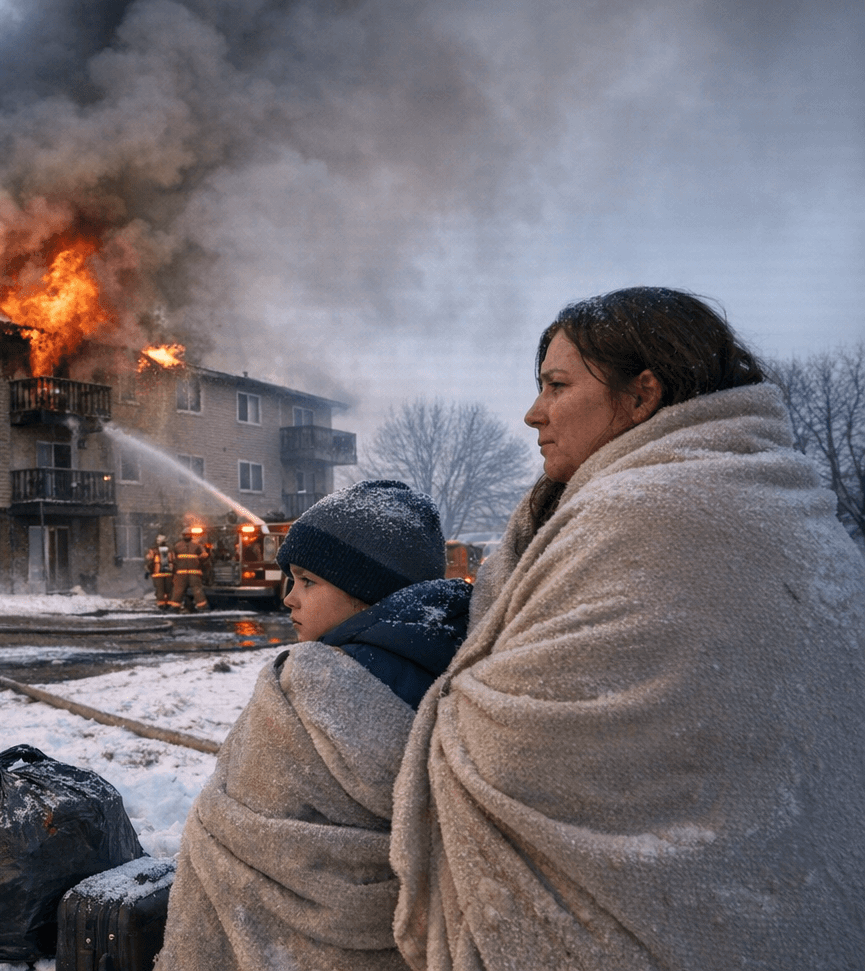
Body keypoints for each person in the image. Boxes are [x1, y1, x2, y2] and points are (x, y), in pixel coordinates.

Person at [389, 287, 865, 970]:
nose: (533, 413)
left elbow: (518, 744)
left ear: (641, 395)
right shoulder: (796, 505)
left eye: (557, 386)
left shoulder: (643, 512)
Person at [157, 481, 470, 971]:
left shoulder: (311, 685)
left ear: (367, 590)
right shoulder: (460, 667)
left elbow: (237, 834)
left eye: (307, 581)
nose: (289, 599)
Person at [168, 525, 211, 612]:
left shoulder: (177, 546)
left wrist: (173, 568)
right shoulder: (196, 545)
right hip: (193, 573)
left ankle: (174, 607)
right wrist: (199, 561)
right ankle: (202, 607)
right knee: (196, 590)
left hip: (182, 573)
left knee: (179, 590)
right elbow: (205, 556)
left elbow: (171, 558)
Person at [144, 534, 175, 610]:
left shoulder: (153, 550)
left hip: (157, 574)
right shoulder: (170, 550)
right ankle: (168, 604)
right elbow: (174, 560)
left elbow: (149, 560)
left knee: (160, 590)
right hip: (168, 573)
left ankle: (161, 605)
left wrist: (148, 571)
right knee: (168, 589)